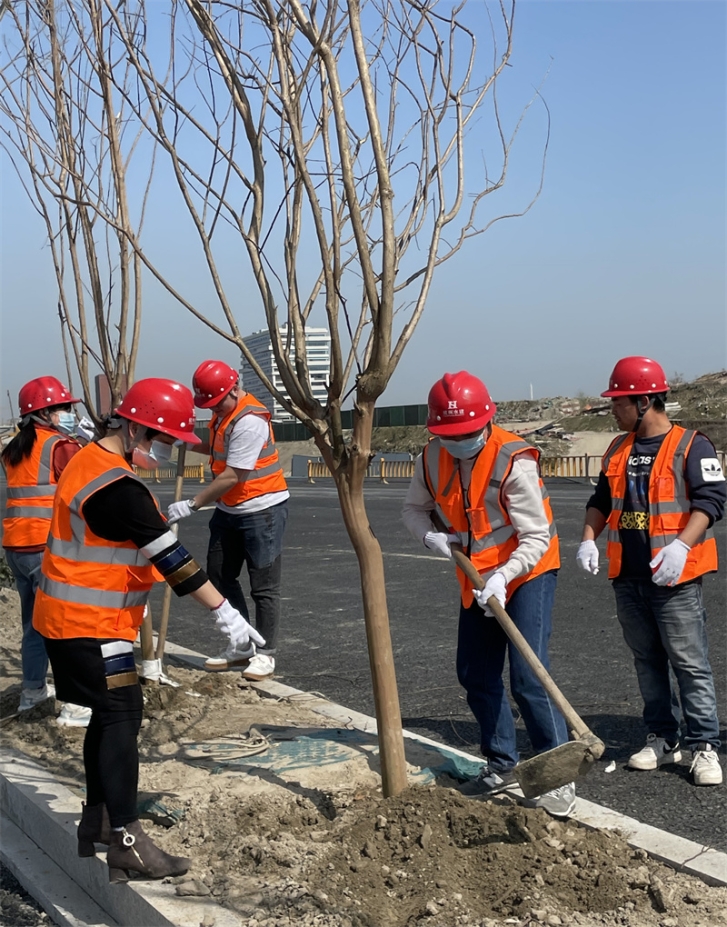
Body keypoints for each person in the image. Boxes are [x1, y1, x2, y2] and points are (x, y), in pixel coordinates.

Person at [32, 378, 265, 882]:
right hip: (91, 623)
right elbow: (173, 560)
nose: (165, 450)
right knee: (122, 713)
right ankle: (127, 841)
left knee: (108, 713)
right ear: (135, 428)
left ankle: (97, 821)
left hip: (75, 619)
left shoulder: (92, 461)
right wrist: (225, 613)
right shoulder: (118, 488)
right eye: (162, 439)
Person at [403, 371, 574, 817]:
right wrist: (429, 537)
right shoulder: (431, 458)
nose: (459, 442)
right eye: (450, 435)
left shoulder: (513, 459)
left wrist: (503, 576)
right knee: (475, 673)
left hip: (527, 572)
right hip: (475, 575)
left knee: (528, 676)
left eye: (467, 433)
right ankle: (502, 763)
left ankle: (557, 773)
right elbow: (414, 509)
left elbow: (536, 536)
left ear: (486, 421)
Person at [577, 356, 725, 786]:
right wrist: (587, 538)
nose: (612, 410)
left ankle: (704, 745)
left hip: (676, 577)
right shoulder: (617, 449)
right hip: (629, 577)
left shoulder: (692, 445)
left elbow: (712, 501)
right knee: (647, 661)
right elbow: (601, 501)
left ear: (644, 401)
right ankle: (663, 736)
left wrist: (681, 546)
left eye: (618, 402)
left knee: (690, 663)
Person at [166, 360, 289, 681]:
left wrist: (192, 504)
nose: (214, 409)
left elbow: (234, 474)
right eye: (209, 405)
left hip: (262, 510)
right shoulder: (224, 415)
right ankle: (243, 644)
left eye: (217, 403)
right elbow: (217, 447)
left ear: (234, 389)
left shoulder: (250, 421)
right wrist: (187, 440)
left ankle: (266, 654)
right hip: (230, 509)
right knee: (219, 576)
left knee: (264, 586)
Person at [2, 376, 92, 727]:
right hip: (47, 549)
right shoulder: (60, 446)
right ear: (43, 412)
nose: (68, 413)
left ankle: (33, 692)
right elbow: (89, 484)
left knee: (34, 625)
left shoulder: (14, 448)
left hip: (18, 548)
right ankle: (75, 704)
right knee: (65, 625)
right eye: (63, 408)